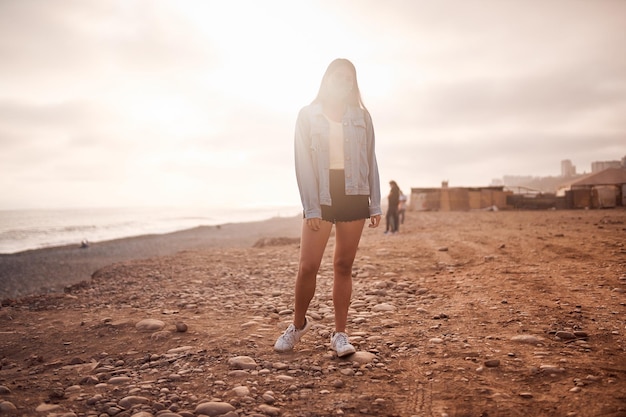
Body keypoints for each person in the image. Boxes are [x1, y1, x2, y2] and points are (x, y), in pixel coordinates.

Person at [274, 58, 382, 357]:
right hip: (321, 195)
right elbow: (303, 163)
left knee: (343, 265)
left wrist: (375, 203)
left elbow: (370, 158)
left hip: (354, 193)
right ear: (326, 79)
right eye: (338, 76)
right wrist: (311, 206)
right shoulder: (308, 116)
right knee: (308, 266)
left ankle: (340, 334)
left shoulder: (362, 116)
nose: (343, 82)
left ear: (353, 84)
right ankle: (297, 325)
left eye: (349, 78)